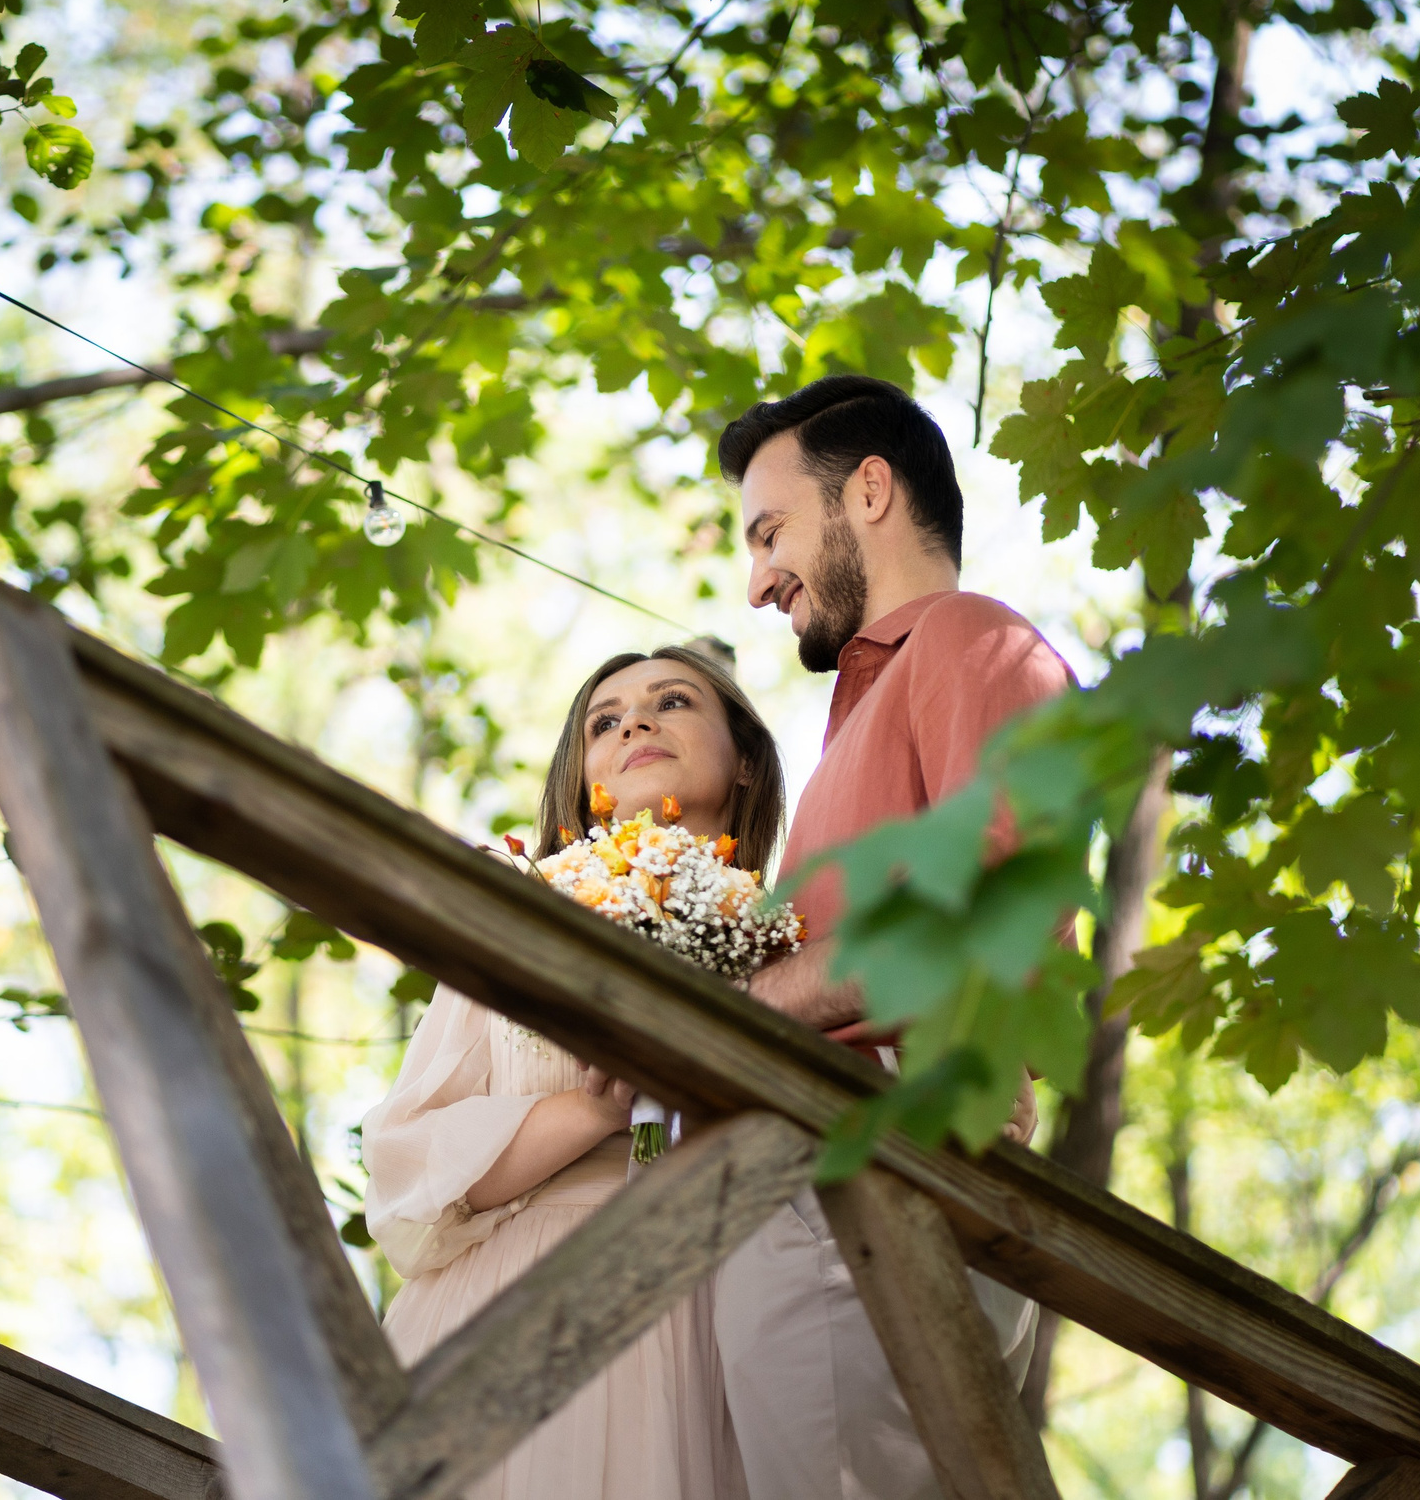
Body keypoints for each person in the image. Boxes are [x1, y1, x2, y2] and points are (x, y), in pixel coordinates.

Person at [710, 374, 1069, 1500]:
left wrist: (747, 1011)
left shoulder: (974, 642)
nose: (758, 580)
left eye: (771, 532)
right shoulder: (854, 732)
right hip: (823, 1193)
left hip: (891, 1181)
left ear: (868, 493)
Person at [360, 640, 785, 1500]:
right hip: (512, 1299)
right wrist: (593, 1112)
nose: (635, 720)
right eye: (605, 719)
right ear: (583, 776)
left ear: (744, 761)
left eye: (673, 702)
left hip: (719, 1308)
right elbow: (411, 1172)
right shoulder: (519, 917)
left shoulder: (791, 946)